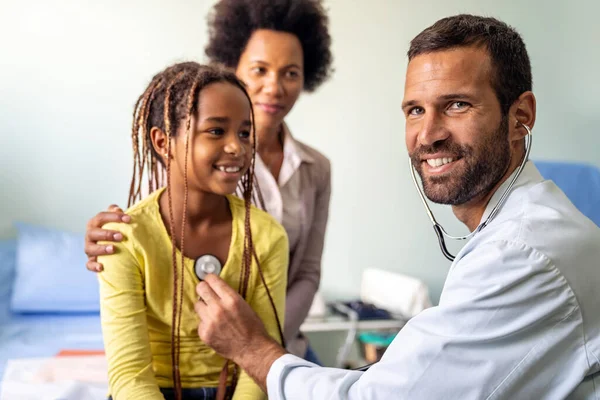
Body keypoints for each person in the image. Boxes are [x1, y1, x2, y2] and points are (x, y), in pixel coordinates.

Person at [192, 14, 600, 399]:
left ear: (520, 116)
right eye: (415, 110)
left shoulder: (520, 253)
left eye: (457, 104)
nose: (428, 134)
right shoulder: (527, 228)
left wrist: (256, 346)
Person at [84, 0, 333, 363]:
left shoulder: (317, 168)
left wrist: (263, 347)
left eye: (290, 73)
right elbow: (153, 239)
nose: (274, 87)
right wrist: (102, 237)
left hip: (281, 347)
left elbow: (308, 272)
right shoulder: (185, 156)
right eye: (260, 69)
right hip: (194, 362)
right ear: (231, 67)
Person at [97, 62, 288, 400]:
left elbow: (258, 366)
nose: (237, 147)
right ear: (162, 142)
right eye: (216, 131)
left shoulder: (267, 236)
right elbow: (130, 377)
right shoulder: (124, 238)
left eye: (245, 132)